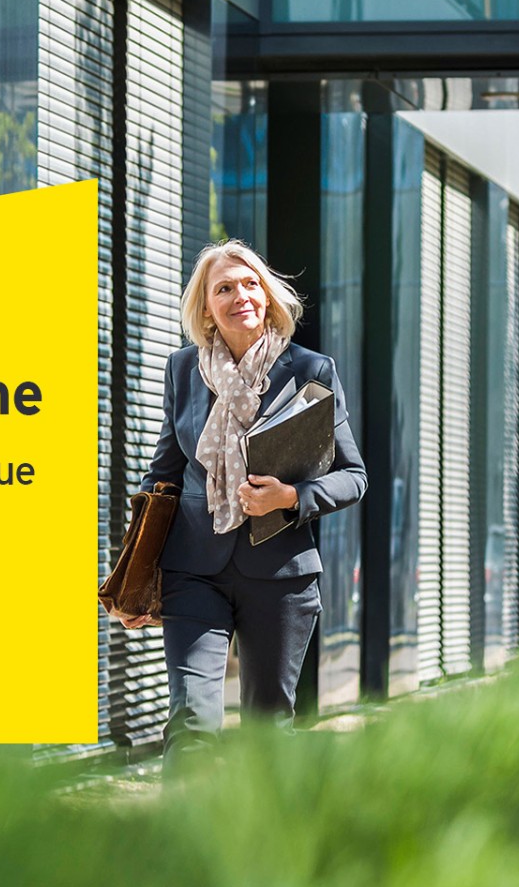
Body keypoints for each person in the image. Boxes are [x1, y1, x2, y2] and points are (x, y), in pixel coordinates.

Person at [117, 240, 367, 758]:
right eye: (224, 288)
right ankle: (181, 837)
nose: (240, 297)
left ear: (269, 296)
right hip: (193, 570)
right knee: (191, 722)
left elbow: (354, 475)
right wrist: (133, 574)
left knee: (266, 732)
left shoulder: (310, 370)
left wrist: (291, 496)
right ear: (206, 307)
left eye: (250, 284)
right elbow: (162, 475)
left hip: (281, 576)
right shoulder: (183, 370)